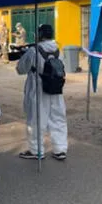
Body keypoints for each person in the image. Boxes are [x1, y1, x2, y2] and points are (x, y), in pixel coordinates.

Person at [16, 24, 68, 160]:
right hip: (56, 89)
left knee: (36, 120)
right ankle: (60, 149)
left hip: (37, 89)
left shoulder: (33, 51)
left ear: (39, 34)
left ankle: (36, 150)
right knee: (58, 118)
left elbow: (21, 69)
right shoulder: (59, 50)